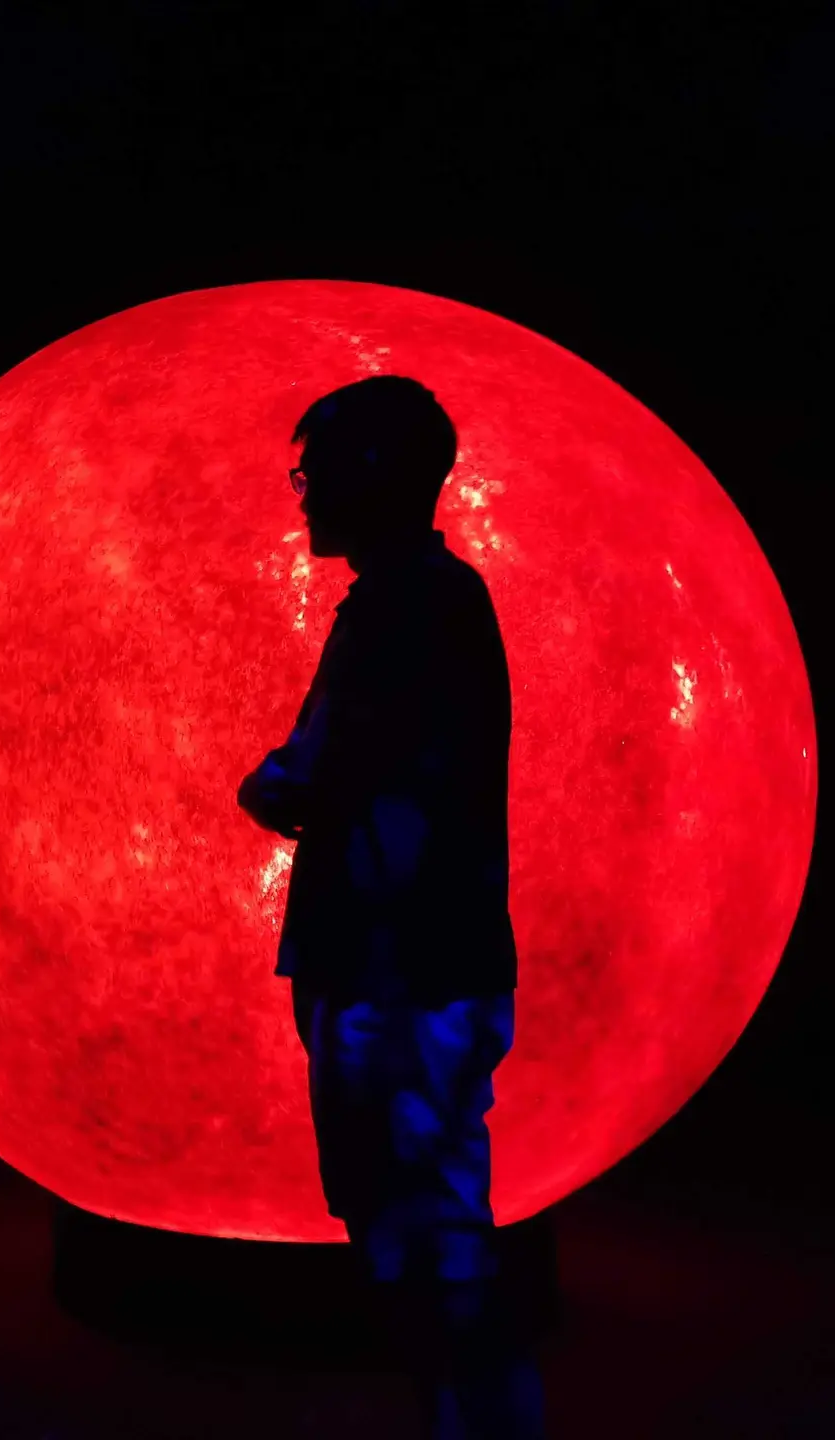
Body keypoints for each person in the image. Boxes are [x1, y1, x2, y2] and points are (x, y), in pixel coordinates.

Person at [236, 375, 547, 1438]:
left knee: (417, 1222)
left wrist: (274, 786)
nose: (304, 494)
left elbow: (321, 770)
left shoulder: (406, 605)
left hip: (395, 968)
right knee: (417, 1214)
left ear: (373, 473)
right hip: (415, 961)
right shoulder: (427, 598)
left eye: (313, 471)